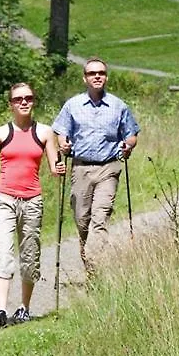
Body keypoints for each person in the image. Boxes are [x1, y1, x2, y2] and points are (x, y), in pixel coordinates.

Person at [0, 82, 65, 328]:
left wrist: (60, 167)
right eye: (18, 99)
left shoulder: (44, 132)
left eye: (28, 98)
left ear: (33, 101)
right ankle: (1, 310)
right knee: (3, 253)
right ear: (10, 104)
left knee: (30, 256)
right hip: (4, 199)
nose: (24, 102)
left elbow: (55, 168)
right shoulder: (1, 133)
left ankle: (24, 308)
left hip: (32, 200)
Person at [52, 57, 140, 274]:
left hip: (108, 168)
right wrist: (63, 143)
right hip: (80, 168)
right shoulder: (73, 105)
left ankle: (95, 267)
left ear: (106, 77)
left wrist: (128, 146)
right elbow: (61, 131)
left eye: (101, 73)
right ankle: (91, 264)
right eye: (92, 73)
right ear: (85, 78)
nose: (97, 76)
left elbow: (131, 134)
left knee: (99, 219)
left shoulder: (118, 106)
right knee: (82, 221)